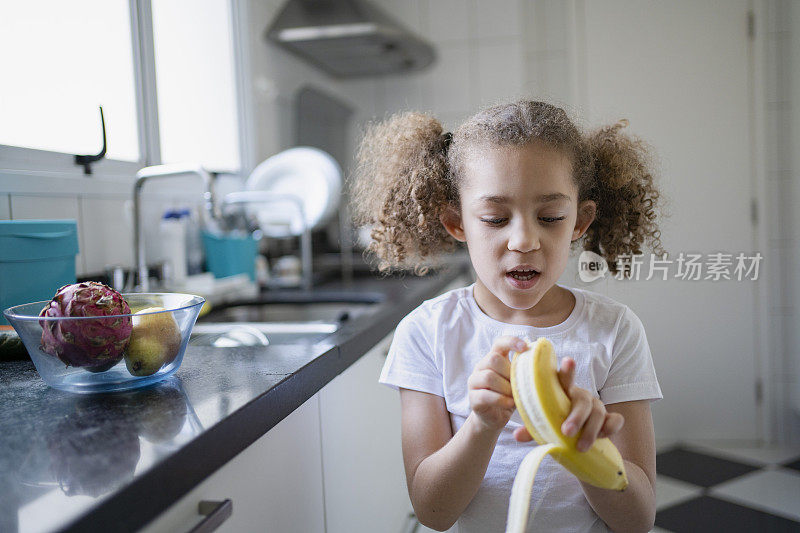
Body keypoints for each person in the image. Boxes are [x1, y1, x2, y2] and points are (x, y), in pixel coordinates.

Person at [351, 100, 665, 533]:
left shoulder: (614, 330)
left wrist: (588, 452)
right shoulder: (427, 333)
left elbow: (638, 520)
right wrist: (481, 426)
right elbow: (433, 512)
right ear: (456, 221)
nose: (523, 239)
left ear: (580, 221)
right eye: (495, 218)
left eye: (551, 217)